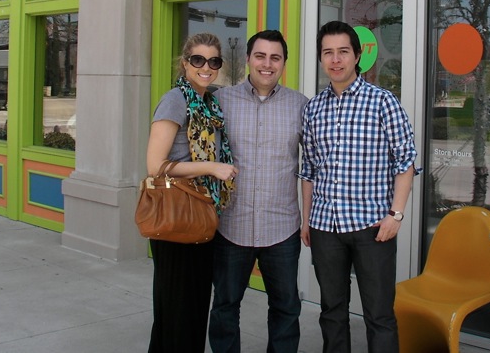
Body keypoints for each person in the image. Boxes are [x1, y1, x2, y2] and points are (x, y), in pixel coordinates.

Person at [299, 21, 419, 353]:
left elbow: (406, 162)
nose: (335, 60)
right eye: (328, 53)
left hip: (373, 228)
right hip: (325, 227)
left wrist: (396, 214)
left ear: (357, 55)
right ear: (321, 58)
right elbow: (309, 170)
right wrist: (307, 220)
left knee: (379, 315)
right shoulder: (313, 109)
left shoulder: (383, 102)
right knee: (332, 312)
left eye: (342, 52)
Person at [209, 30, 309, 353]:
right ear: (248, 59)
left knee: (286, 308)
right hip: (231, 225)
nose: (267, 64)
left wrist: (309, 219)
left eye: (275, 58)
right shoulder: (221, 102)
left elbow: (314, 166)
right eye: (261, 56)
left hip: (281, 228)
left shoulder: (301, 106)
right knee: (225, 306)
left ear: (284, 63)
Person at [145, 33, 238, 353]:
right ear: (185, 63)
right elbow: (155, 166)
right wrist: (211, 167)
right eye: (198, 60)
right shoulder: (175, 100)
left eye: (214, 61)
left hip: (203, 214)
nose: (206, 67)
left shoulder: (210, 103)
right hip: (177, 215)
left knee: (195, 308)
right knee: (177, 310)